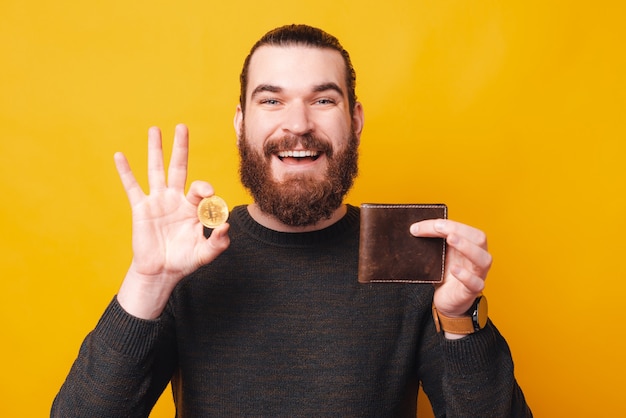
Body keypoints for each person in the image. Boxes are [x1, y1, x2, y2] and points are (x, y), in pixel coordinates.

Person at [52, 24, 532, 417]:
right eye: (271, 100)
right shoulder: (189, 257)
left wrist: (460, 319)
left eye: (323, 100)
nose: (298, 124)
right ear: (241, 122)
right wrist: (147, 283)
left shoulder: (405, 256)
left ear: (356, 118)